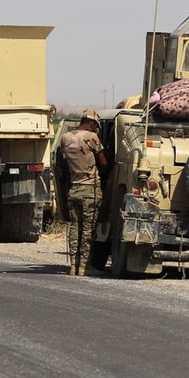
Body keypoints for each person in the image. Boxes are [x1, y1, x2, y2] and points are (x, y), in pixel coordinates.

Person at [59, 109, 108, 275]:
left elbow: (63, 164)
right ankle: (85, 267)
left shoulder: (65, 138)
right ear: (92, 123)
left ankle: (73, 265)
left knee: (74, 228)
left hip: (74, 189)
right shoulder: (91, 138)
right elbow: (103, 163)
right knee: (88, 230)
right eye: (96, 126)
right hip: (90, 190)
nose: (96, 130)